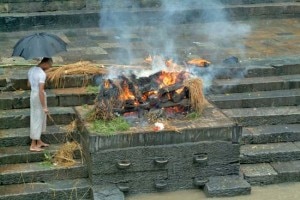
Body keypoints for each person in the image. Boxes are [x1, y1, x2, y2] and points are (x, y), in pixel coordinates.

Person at [27, 57, 53, 152]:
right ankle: (33, 144)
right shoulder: (42, 74)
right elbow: (41, 91)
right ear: (45, 63)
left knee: (38, 118)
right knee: (37, 119)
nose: (50, 67)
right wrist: (44, 106)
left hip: (33, 94)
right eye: (50, 65)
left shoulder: (31, 70)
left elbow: (29, 85)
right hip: (39, 96)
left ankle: (39, 141)